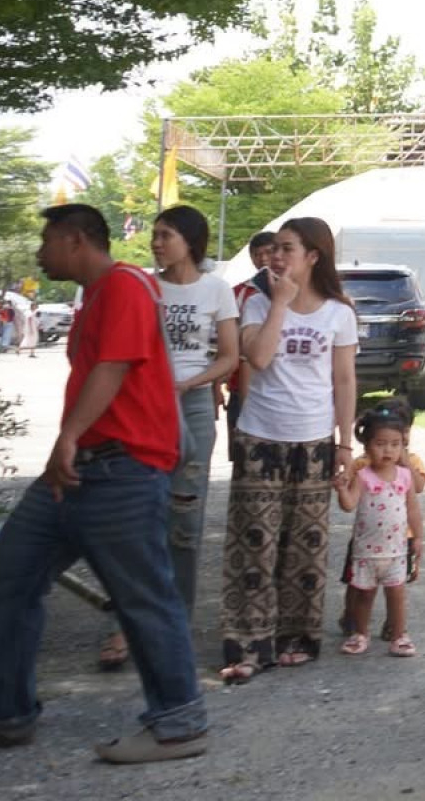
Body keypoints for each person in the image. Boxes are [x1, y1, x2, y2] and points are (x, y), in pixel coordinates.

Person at [0, 206, 209, 763]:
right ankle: (4, 715)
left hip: (123, 471)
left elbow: (114, 367)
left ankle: (180, 725)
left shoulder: (125, 286)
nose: (39, 253)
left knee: (144, 598)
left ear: (75, 240)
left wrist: (66, 438)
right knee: (6, 579)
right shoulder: (96, 295)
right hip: (79, 472)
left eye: (46, 241)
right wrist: (70, 447)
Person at [220, 215, 357, 681]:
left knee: (306, 547)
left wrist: (345, 445)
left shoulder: (338, 312)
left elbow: (344, 380)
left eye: (287, 248)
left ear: (313, 256)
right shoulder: (257, 302)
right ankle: (249, 643)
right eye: (273, 249)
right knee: (253, 542)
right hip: (261, 437)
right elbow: (257, 358)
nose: (275, 257)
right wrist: (281, 302)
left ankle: (296, 637)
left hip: (314, 441)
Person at [150, 206, 238, 634]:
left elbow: (230, 357)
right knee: (143, 509)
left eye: (165, 235)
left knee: (186, 512)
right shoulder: (147, 288)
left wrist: (188, 384)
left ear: (190, 241)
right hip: (147, 407)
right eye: (155, 235)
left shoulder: (217, 289)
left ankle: (177, 619)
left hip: (195, 405)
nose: (156, 243)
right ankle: (131, 617)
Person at [335, 404, 422, 658]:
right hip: (366, 551)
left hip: (396, 550)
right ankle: (360, 633)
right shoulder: (363, 476)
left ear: (403, 446)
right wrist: (341, 490)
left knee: (397, 595)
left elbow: (413, 509)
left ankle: (399, 636)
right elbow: (349, 505)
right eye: (380, 444)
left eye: (395, 444)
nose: (388, 450)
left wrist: (418, 538)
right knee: (364, 595)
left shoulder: (405, 476)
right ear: (366, 445)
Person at [223, 230, 279, 464]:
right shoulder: (240, 293)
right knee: (245, 460)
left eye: (269, 252)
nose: (264, 258)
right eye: (257, 254)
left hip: (278, 389)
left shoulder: (300, 293)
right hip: (240, 386)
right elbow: (227, 343)